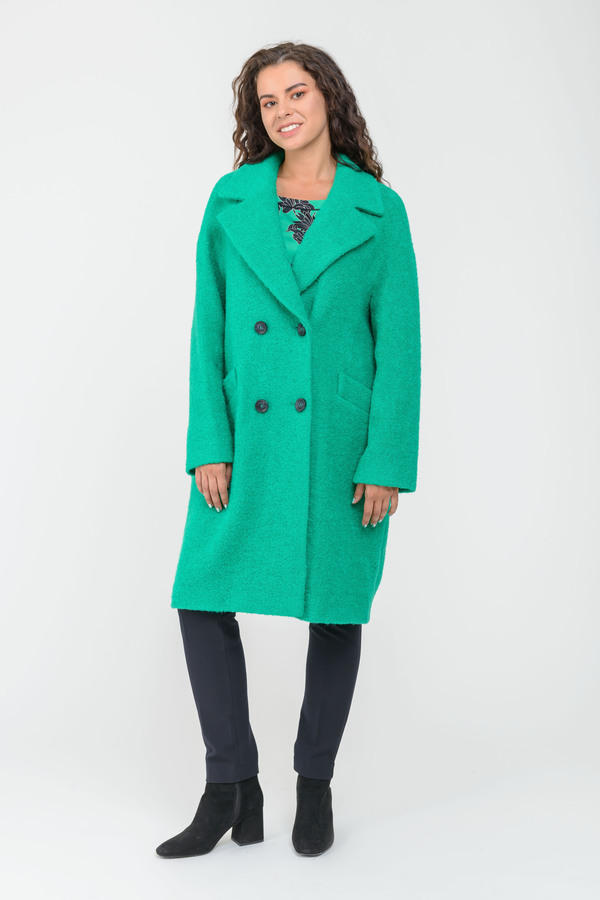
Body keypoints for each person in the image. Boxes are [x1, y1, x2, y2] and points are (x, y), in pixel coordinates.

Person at [156, 40, 421, 859]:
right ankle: (230, 786)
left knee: (336, 610)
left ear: (328, 97)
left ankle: (315, 785)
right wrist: (209, 442)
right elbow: (207, 331)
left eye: (296, 93)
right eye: (268, 101)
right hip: (248, 439)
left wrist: (385, 459)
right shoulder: (232, 200)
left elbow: (400, 347)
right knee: (200, 596)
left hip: (337, 449)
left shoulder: (378, 211)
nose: (282, 111)